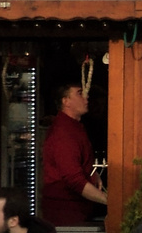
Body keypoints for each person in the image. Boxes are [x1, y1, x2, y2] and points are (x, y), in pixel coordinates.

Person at [41, 83, 107, 225]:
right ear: (66, 101)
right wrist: (108, 200)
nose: (86, 96)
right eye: (79, 93)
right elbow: (73, 179)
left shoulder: (73, 128)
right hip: (65, 212)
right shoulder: (63, 133)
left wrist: (92, 174)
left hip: (76, 208)